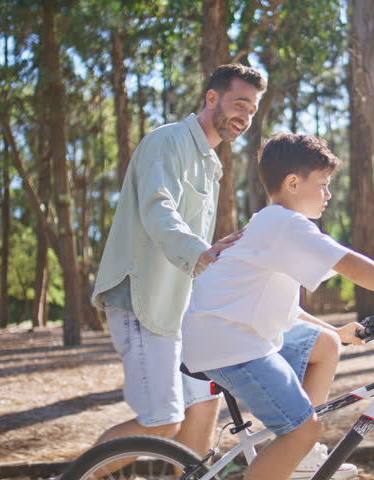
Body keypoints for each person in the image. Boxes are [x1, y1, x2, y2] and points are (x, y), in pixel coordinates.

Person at [181, 133, 374, 480]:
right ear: (293, 183)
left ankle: (301, 456)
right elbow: (348, 263)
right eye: (322, 185)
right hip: (229, 344)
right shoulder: (285, 224)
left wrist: (335, 330)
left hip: (226, 333)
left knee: (325, 343)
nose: (328, 194)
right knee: (303, 429)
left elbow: (284, 310)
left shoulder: (269, 223)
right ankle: (298, 442)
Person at [90, 64, 267, 456]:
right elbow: (159, 210)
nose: (245, 116)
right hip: (142, 300)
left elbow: (189, 243)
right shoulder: (167, 141)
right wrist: (201, 252)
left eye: (252, 110)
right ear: (211, 98)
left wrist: (216, 255)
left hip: (180, 309)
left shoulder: (210, 164)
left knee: (204, 406)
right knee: (162, 420)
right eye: (239, 104)